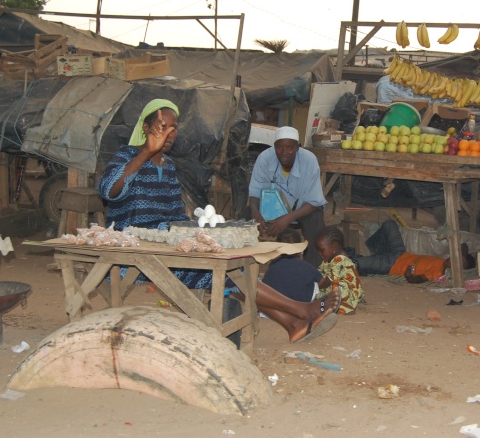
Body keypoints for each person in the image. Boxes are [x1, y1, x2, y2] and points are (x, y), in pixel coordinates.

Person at [97, 99, 340, 343]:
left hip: (165, 249)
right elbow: (108, 191)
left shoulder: (168, 166)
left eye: (173, 127)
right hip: (134, 251)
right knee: (225, 274)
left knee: (233, 271)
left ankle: (292, 324)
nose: (169, 133)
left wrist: (198, 235)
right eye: (161, 126)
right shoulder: (127, 156)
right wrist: (147, 152)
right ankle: (301, 310)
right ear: (146, 129)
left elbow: (175, 217)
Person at [247, 126, 326, 267]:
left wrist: (287, 218)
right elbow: (254, 193)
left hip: (301, 211)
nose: (284, 153)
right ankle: (247, 267)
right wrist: (255, 212)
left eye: (290, 148)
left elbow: (314, 202)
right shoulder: (265, 158)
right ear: (274, 147)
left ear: (297, 147)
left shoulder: (309, 160)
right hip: (270, 211)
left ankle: (310, 270)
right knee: (245, 216)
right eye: (279, 148)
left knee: (315, 219)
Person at [354, 219, 475, 284]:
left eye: (459, 264)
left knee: (354, 262)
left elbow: (418, 280)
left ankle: (374, 260)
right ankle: (376, 253)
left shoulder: (439, 273)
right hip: (400, 253)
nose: (455, 261)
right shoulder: (442, 261)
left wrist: (409, 277)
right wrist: (462, 256)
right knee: (389, 224)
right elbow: (463, 245)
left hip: (391, 265)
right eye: (457, 259)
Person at [314, 225, 363, 314]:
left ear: (334, 247)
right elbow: (320, 274)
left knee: (336, 287)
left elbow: (329, 280)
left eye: (321, 250)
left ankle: (345, 308)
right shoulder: (327, 260)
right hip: (329, 287)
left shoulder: (340, 259)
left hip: (348, 293)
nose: (319, 253)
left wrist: (315, 287)